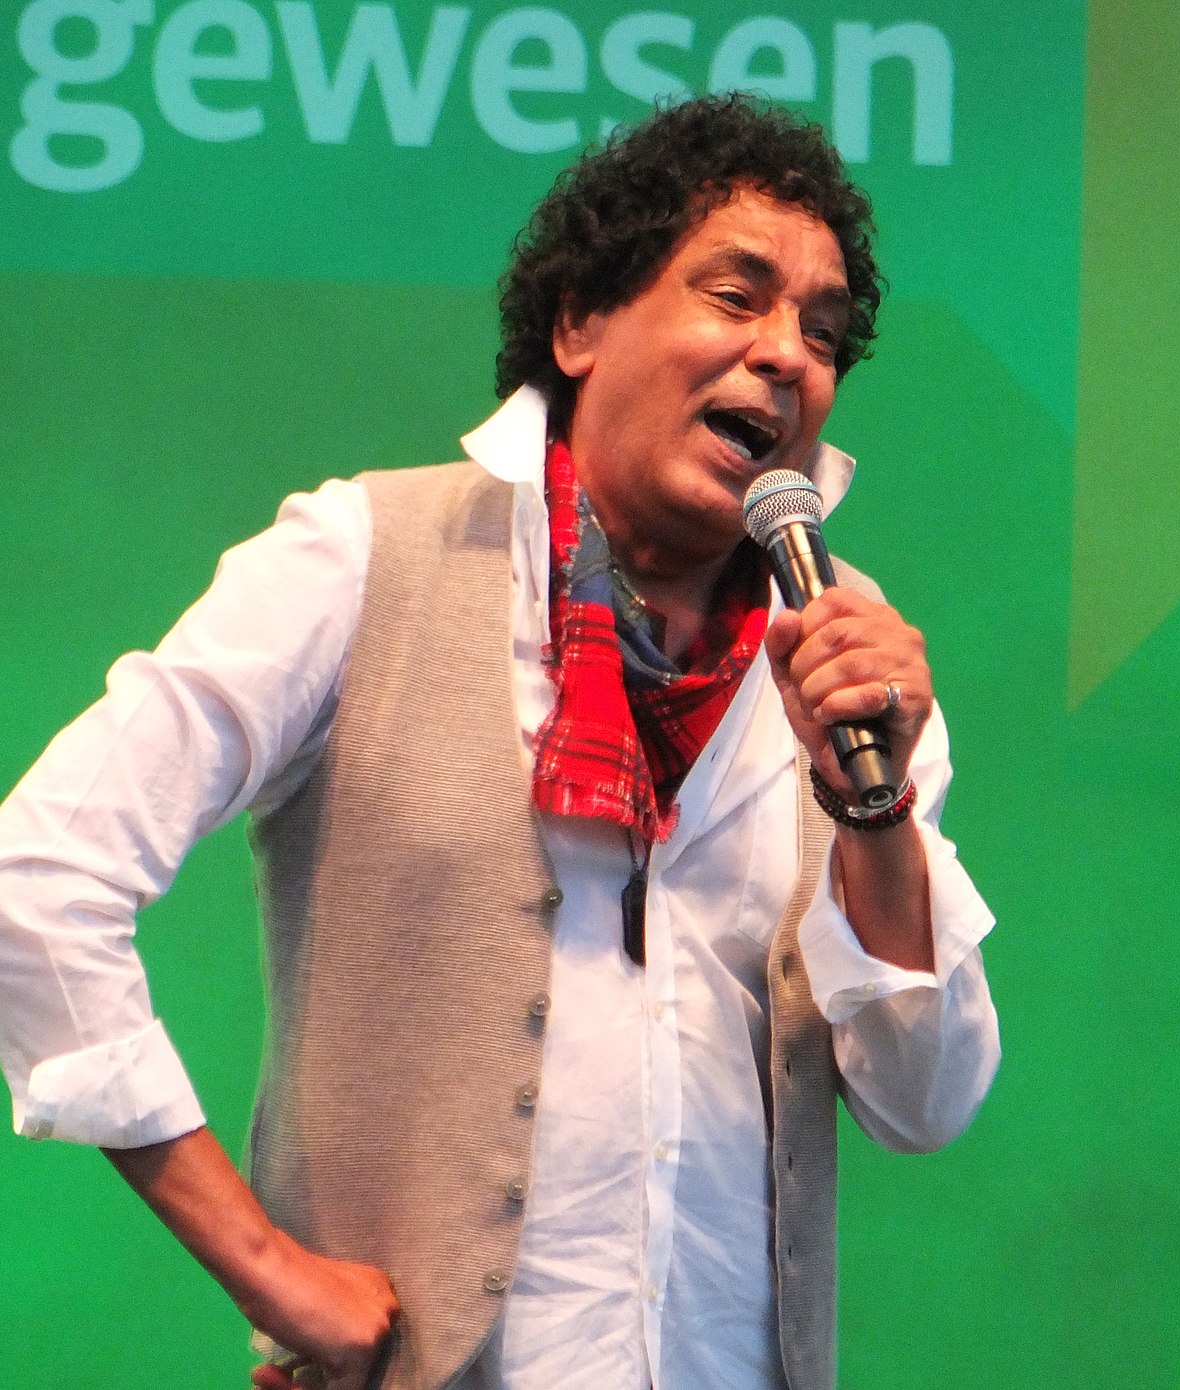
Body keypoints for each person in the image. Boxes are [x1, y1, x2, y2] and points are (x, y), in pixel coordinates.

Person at [0, 95, 998, 1390]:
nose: (785, 356)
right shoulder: (364, 558)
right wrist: (266, 1266)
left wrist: (873, 808)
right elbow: (38, 880)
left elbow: (926, 1099)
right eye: (736, 295)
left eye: (822, 332)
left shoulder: (851, 660)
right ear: (580, 323)